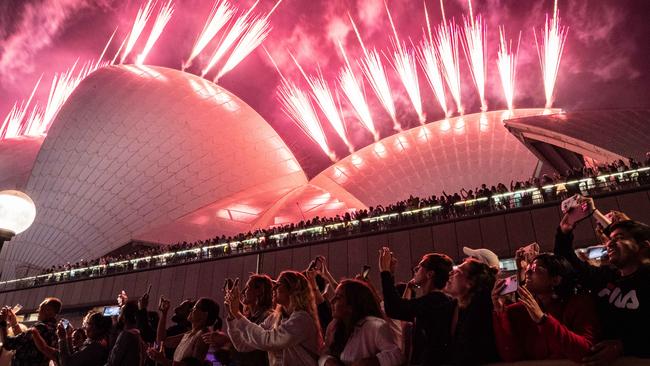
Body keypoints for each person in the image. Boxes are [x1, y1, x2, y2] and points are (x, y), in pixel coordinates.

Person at [554, 199, 650, 364]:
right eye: (609, 238)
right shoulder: (604, 277)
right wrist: (566, 229)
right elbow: (566, 262)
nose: (609, 243)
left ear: (643, 247)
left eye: (619, 238)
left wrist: (624, 347)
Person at [492, 253, 601, 363]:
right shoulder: (519, 309)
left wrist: (543, 320)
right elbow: (510, 356)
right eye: (528, 268)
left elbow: (585, 351)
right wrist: (500, 311)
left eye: (535, 269)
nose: (527, 272)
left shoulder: (578, 304)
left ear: (555, 280)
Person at [225, 271, 324, 366]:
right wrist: (231, 315)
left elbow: (268, 340)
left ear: (292, 289)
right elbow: (242, 344)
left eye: (278, 285)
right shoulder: (275, 318)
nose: (273, 288)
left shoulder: (302, 319)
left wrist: (237, 314)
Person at [378, 248, 455, 365]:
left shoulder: (436, 301)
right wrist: (390, 274)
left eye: (420, 267)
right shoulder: (435, 300)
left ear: (430, 274)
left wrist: (385, 272)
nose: (416, 270)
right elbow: (399, 308)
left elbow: (395, 308)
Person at [319, 279, 402, 366]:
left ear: (352, 305)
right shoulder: (333, 326)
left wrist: (369, 362)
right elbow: (323, 352)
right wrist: (327, 361)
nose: (332, 301)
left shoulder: (374, 326)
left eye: (338, 297)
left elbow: (396, 355)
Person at [204, 274, 274, 366]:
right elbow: (239, 346)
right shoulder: (248, 317)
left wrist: (226, 340)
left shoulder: (268, 317)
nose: (243, 291)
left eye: (248, 287)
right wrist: (230, 311)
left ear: (259, 291)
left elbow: (249, 344)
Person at [443, 257, 500, 365]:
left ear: (471, 282)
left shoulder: (482, 309)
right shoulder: (454, 307)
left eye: (457, 272)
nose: (450, 274)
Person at [147, 297, 218, 365]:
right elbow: (162, 341)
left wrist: (164, 361)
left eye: (195, 307)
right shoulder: (189, 334)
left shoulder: (203, 335)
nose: (191, 310)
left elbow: (194, 364)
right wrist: (164, 313)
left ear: (204, 314)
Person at [0, 297, 61, 366]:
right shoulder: (56, 331)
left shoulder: (39, 328)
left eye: (41, 308)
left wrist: (3, 322)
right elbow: (25, 342)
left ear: (48, 310)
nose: (38, 311)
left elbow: (8, 344)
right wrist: (14, 323)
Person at [106, 300, 145, 366]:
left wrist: (114, 325)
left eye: (120, 313)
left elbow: (113, 361)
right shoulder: (138, 335)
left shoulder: (125, 336)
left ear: (123, 317)